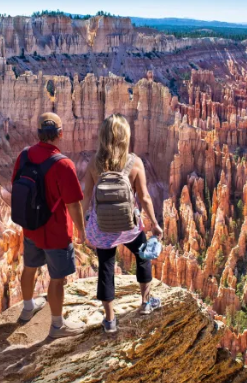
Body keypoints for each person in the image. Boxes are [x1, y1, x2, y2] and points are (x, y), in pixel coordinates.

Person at [82, 114, 164, 334]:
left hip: (102, 230)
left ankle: (110, 321)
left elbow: (86, 195)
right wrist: (155, 224)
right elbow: (145, 198)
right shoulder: (135, 162)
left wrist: (82, 226)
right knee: (143, 257)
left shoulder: (94, 163)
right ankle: (146, 303)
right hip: (129, 227)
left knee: (106, 270)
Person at [12, 112, 87, 338]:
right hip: (55, 233)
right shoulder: (64, 165)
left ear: (38, 134)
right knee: (57, 279)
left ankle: (27, 309)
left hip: (31, 228)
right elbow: (73, 204)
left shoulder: (23, 156)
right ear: (60, 134)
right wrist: (81, 231)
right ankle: (57, 326)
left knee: (29, 268)